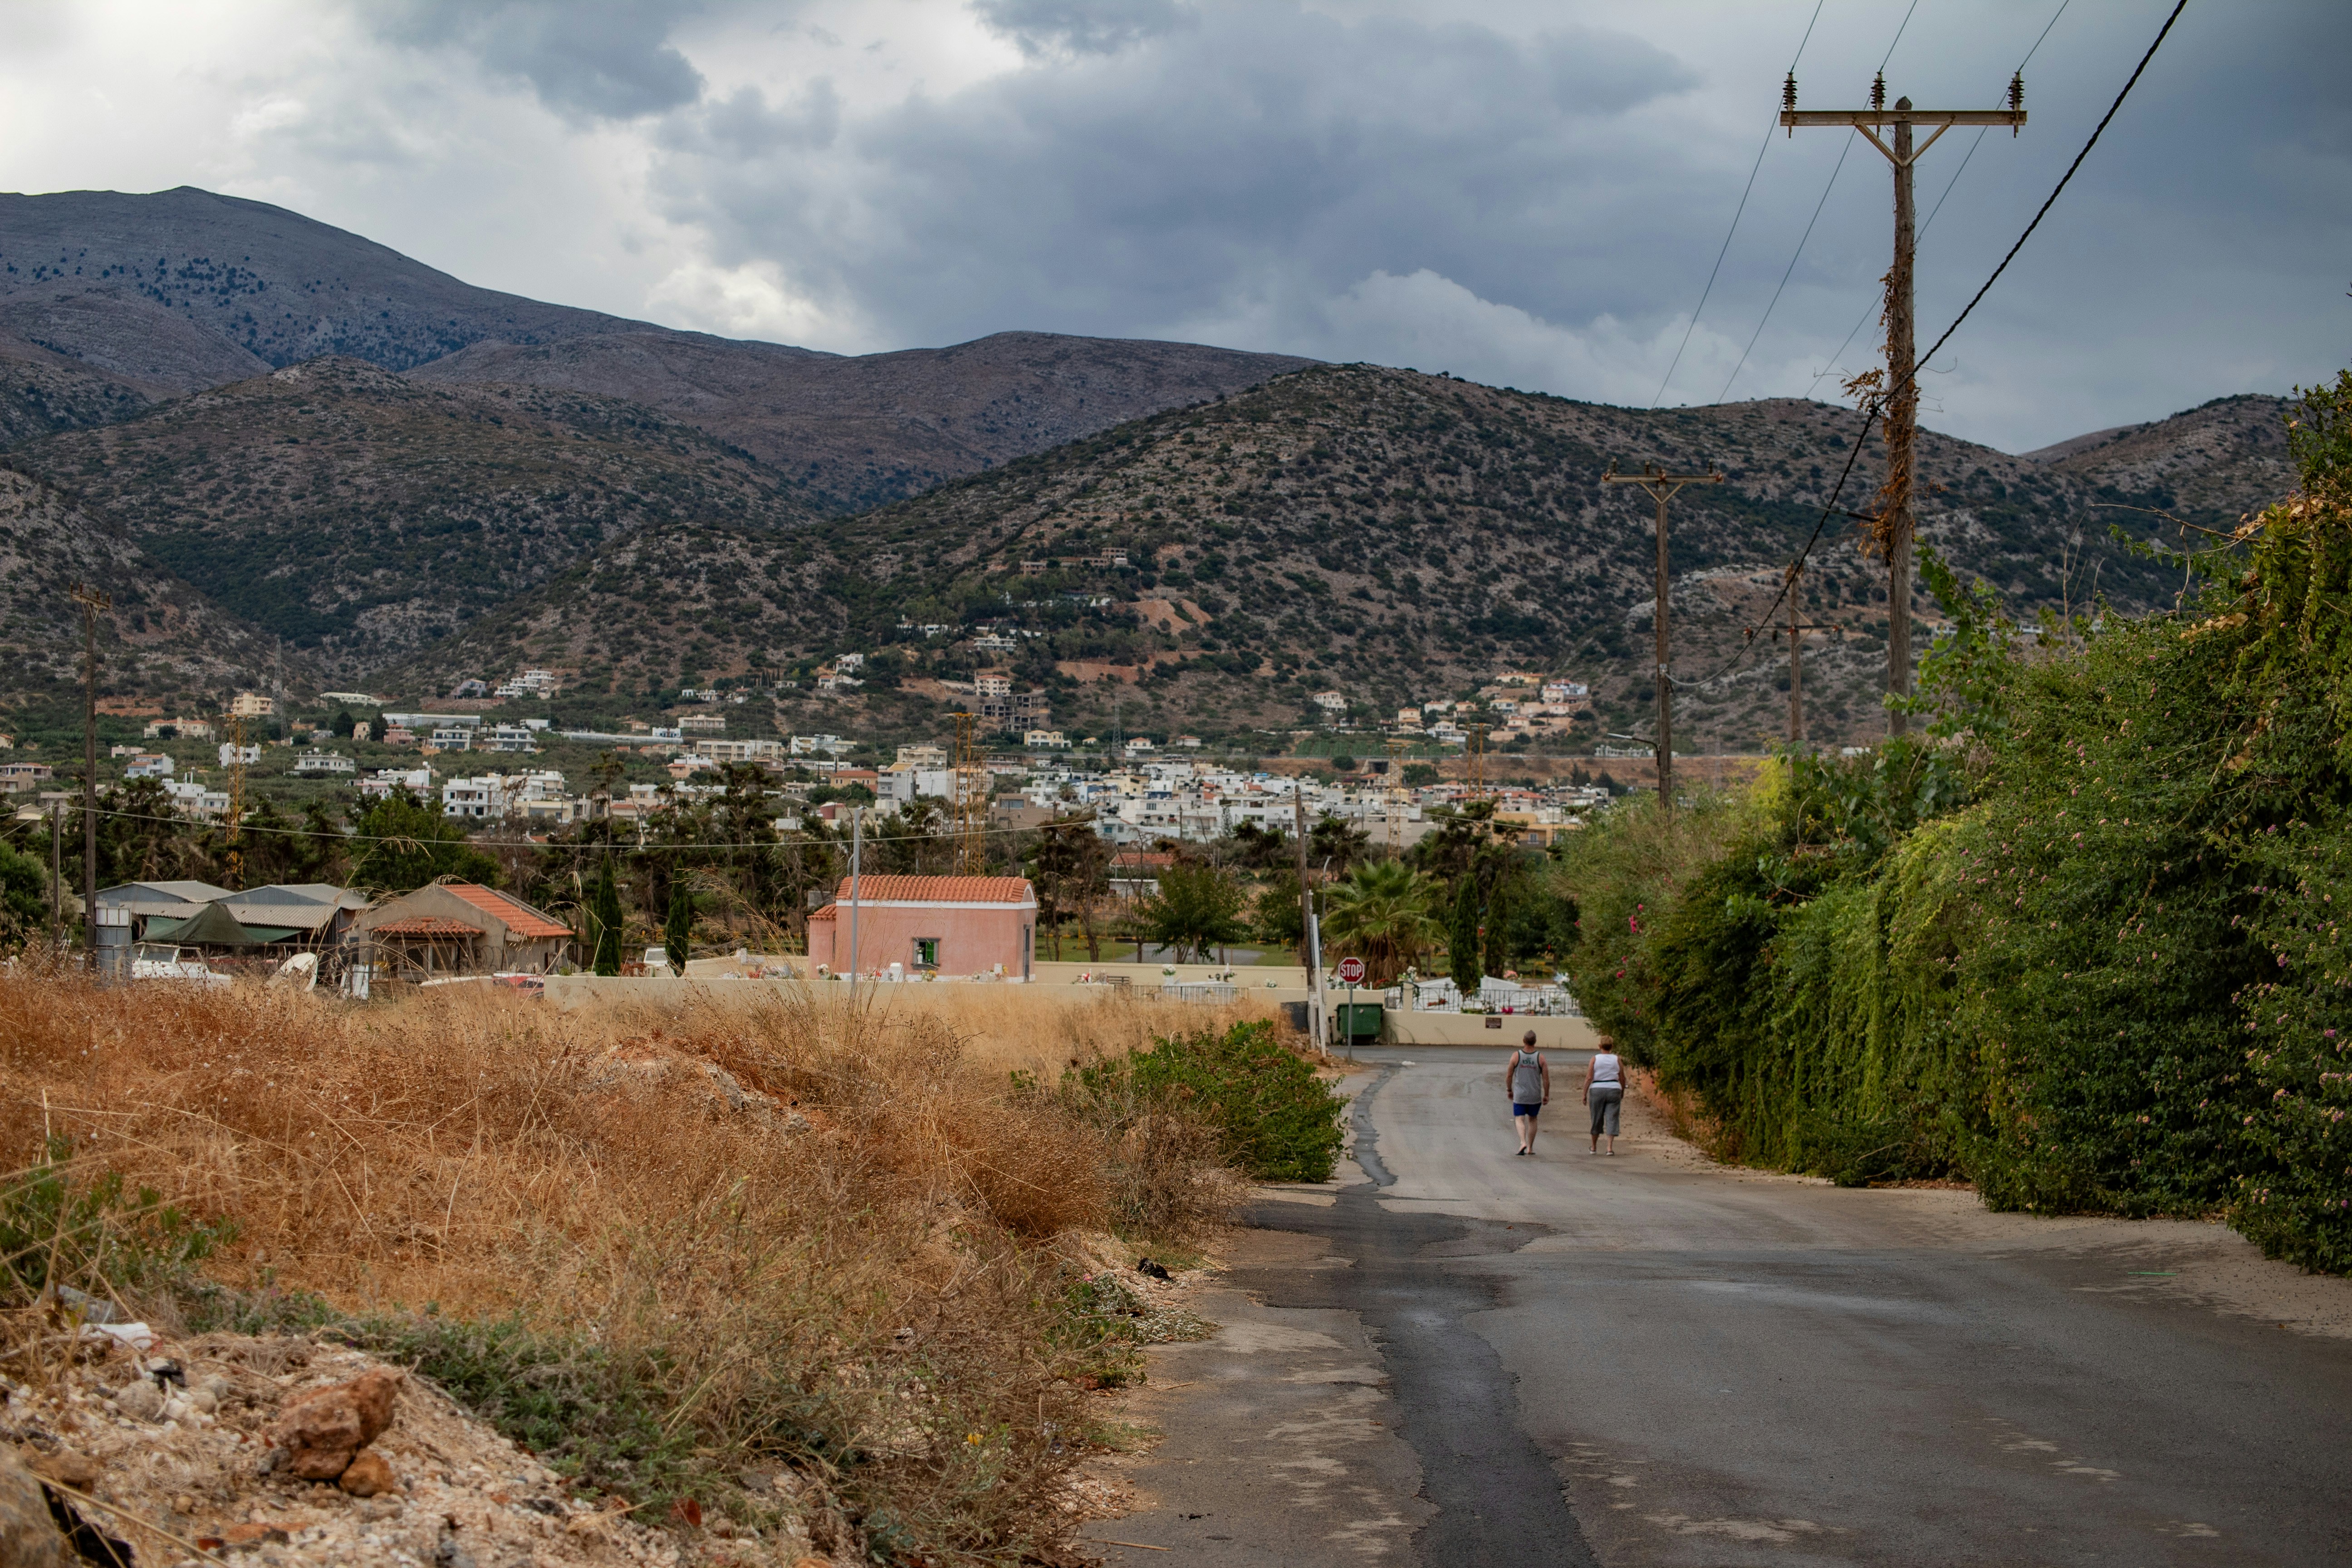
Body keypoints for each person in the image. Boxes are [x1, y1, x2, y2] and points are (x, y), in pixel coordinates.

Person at [1503, 1030, 1549, 1155]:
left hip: (1520, 1095)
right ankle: (1530, 1148)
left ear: (1524, 1041)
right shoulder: (1540, 1058)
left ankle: (1523, 1142)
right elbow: (1546, 1079)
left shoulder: (1516, 1056)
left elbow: (1509, 1076)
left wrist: (1509, 1090)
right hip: (1534, 1095)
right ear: (1535, 1042)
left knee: (1519, 1118)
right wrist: (1546, 1095)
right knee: (1533, 1119)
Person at [1584, 1036, 1625, 1155]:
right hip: (1614, 1089)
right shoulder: (1617, 1059)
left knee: (1596, 1118)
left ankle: (1594, 1147)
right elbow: (1622, 1077)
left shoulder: (1595, 1059)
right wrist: (1622, 1091)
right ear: (1612, 1047)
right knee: (1612, 1118)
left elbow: (1589, 1078)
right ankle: (1609, 1148)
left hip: (1597, 1089)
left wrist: (1584, 1093)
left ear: (1600, 1046)